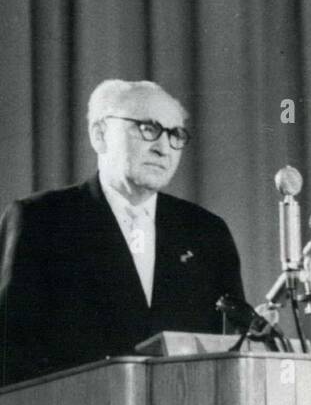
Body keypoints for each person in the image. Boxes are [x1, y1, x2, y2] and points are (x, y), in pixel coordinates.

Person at [0, 79, 247, 387]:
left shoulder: (206, 232)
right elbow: (10, 352)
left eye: (175, 134)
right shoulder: (42, 220)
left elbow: (234, 347)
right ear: (100, 135)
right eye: (148, 129)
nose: (163, 148)